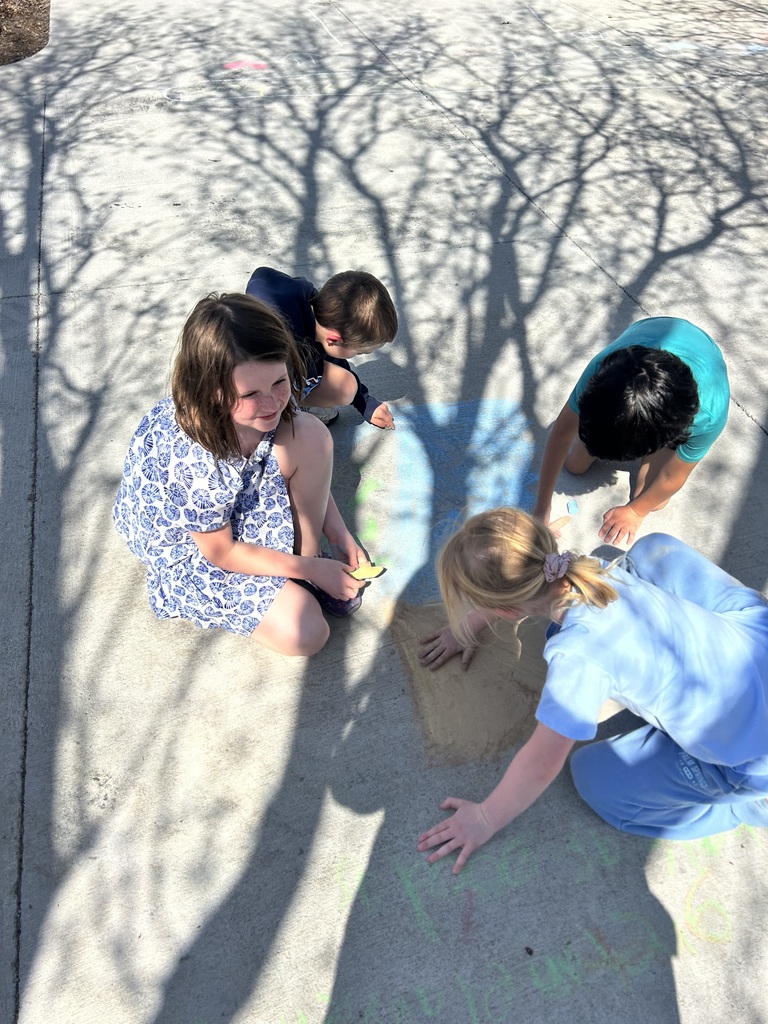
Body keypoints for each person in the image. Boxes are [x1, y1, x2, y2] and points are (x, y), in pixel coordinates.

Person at [417, 508, 768, 874]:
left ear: (505, 609)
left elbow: (540, 764)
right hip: (757, 644)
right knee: (653, 551)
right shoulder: (595, 571)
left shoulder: (579, 657)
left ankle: (748, 806)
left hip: (753, 760)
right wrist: (477, 619)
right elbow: (524, 585)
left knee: (596, 780)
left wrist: (485, 819)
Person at [113, 293, 368, 656]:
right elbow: (222, 552)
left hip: (237, 487)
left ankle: (303, 565)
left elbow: (292, 428)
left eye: (280, 382)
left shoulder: (263, 383)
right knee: (307, 632)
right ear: (211, 392)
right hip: (196, 548)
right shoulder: (193, 463)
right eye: (250, 394)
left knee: (310, 434)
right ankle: (304, 571)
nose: (272, 403)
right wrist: (314, 569)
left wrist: (338, 533)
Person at [533, 317, 730, 546]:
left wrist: (636, 512)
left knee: (654, 502)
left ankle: (646, 445)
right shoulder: (603, 372)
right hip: (651, 332)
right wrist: (542, 507)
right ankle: (619, 438)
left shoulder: (708, 414)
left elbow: (673, 475)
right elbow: (561, 435)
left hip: (696, 369)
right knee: (574, 465)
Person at [245, 266, 398, 428]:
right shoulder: (273, 331)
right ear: (334, 339)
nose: (355, 355)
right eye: (358, 351)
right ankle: (283, 414)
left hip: (283, 374)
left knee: (347, 386)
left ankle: (294, 404)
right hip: (249, 386)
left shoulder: (324, 319)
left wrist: (365, 402)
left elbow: (334, 358)